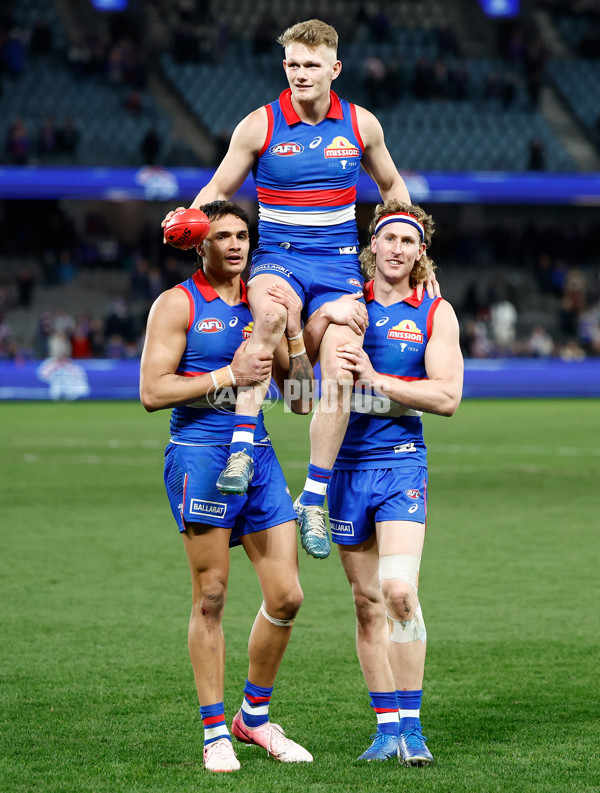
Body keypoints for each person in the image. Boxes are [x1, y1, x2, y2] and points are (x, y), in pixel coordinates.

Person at [162, 19, 438, 561]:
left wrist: (413, 244)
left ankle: (313, 495)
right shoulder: (259, 125)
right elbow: (219, 187)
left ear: (334, 68)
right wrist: (189, 216)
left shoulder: (362, 124)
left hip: (338, 267)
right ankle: (242, 445)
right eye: (292, 64)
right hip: (279, 261)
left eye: (312, 65)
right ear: (283, 65)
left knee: (342, 365)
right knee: (265, 315)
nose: (301, 74)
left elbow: (391, 187)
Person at [140, 201, 316, 773]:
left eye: (243, 235)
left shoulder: (265, 302)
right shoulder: (177, 304)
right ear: (201, 245)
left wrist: (293, 333)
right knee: (211, 596)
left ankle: (254, 719)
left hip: (258, 455)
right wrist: (226, 376)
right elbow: (152, 390)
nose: (236, 245)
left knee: (287, 596)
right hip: (200, 456)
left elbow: (302, 401)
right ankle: (215, 732)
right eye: (223, 237)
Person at [324, 200, 463, 764]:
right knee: (365, 603)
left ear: (419, 252)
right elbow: (306, 394)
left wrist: (377, 381)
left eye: (410, 241)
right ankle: (386, 731)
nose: (398, 249)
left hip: (402, 460)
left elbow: (447, 397)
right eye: (390, 240)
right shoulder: (343, 308)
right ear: (373, 247)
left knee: (399, 592)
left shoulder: (435, 313)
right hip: (344, 467)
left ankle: (414, 729)